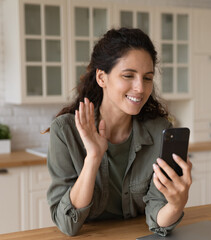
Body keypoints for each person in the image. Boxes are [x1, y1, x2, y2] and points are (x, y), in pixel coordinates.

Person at [46, 27, 192, 237]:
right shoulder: (65, 131)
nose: (140, 88)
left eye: (147, 78)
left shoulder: (160, 130)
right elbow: (67, 224)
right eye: (128, 75)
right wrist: (93, 158)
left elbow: (157, 218)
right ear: (101, 78)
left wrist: (176, 204)